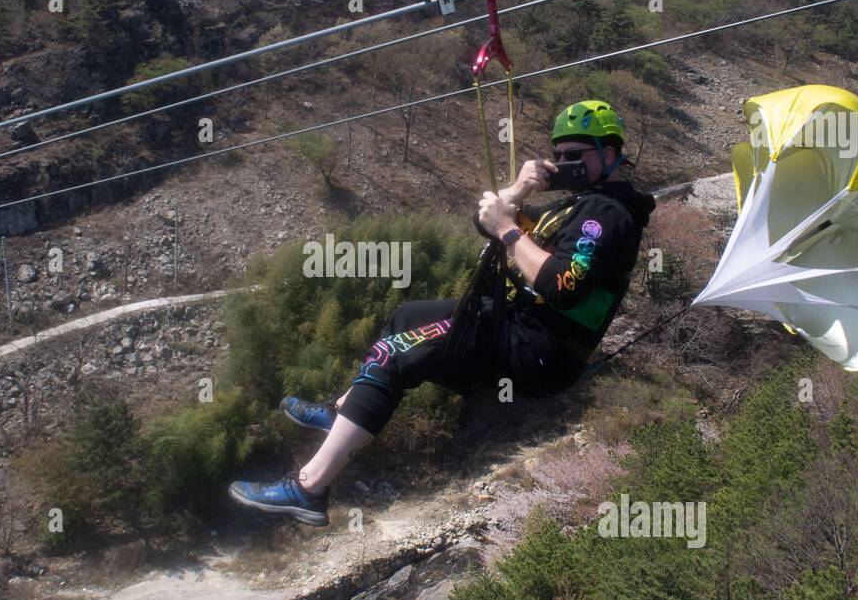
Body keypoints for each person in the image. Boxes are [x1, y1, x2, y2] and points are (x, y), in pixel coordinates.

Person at [229, 100, 656, 525]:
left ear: (610, 154)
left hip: (541, 347)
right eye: (558, 154)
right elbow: (487, 221)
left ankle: (308, 488)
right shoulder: (575, 206)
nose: (564, 163)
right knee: (407, 316)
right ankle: (341, 410)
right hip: (518, 324)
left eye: (575, 155)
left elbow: (563, 286)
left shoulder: (606, 212)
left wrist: (509, 230)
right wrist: (518, 192)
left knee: (394, 354)